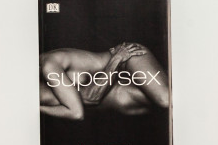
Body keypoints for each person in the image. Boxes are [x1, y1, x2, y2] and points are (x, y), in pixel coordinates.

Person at [38, 42, 170, 120]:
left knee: (166, 100)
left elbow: (79, 110)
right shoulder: (39, 90)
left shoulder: (48, 64)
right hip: (119, 91)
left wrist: (117, 59)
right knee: (168, 108)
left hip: (127, 59)